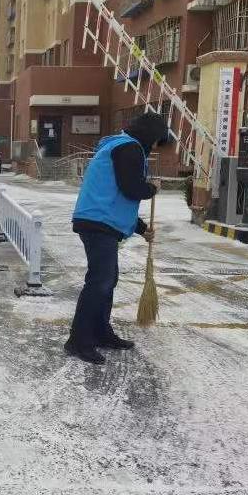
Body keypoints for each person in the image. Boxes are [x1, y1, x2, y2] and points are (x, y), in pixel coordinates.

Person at [65, 112, 169, 365]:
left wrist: (141, 228)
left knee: (107, 281)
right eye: (158, 141)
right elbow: (131, 189)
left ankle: (100, 332)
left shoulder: (122, 146)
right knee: (100, 282)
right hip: (98, 223)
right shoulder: (129, 149)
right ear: (150, 136)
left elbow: (115, 198)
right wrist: (152, 188)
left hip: (100, 220)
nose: (157, 147)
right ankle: (78, 341)